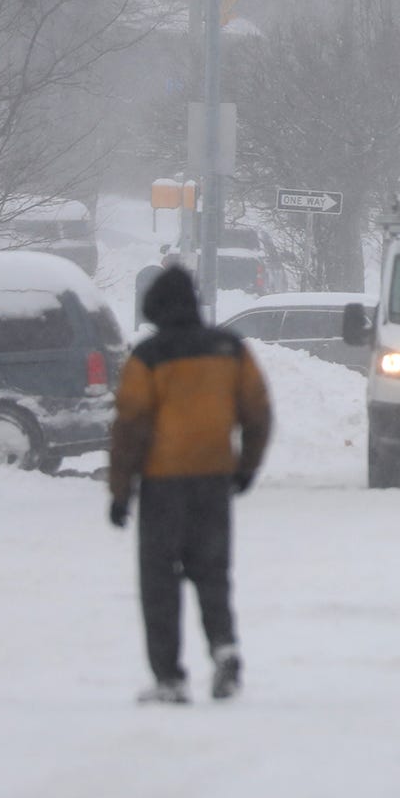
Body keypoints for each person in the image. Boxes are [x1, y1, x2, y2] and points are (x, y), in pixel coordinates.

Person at [109, 265, 272, 705]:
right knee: (212, 573)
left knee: (159, 582)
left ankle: (169, 679)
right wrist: (246, 467)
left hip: (163, 486)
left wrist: (120, 491)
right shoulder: (229, 349)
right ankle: (224, 647)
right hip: (213, 481)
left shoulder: (149, 357)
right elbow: (257, 412)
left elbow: (130, 426)